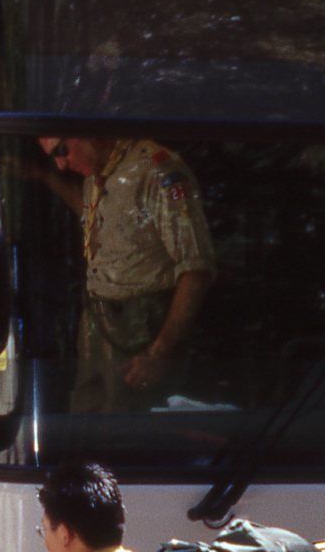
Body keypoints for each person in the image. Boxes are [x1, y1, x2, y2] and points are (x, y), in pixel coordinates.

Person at [36, 136, 215, 412]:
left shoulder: (156, 169)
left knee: (128, 424)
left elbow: (196, 268)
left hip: (140, 326)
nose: (61, 165)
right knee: (87, 419)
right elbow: (99, 218)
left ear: (85, 131)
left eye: (62, 150)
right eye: (53, 158)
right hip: (97, 322)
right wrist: (44, 177)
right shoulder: (95, 177)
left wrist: (159, 352)